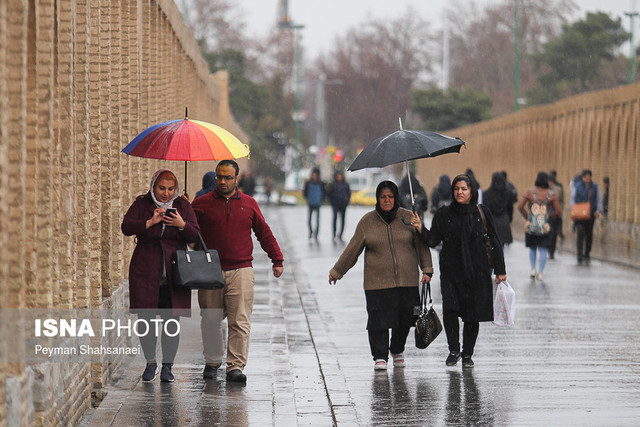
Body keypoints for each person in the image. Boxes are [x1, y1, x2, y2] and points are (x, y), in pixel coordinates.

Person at [192, 160, 284, 383]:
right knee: (210, 319)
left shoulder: (249, 204)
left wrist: (277, 259)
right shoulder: (201, 204)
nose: (222, 181)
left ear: (237, 179)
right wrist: (186, 212)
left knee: (239, 321)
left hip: (241, 270)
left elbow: (264, 233)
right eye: (219, 177)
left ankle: (235, 366)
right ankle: (212, 362)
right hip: (210, 271)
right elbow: (189, 233)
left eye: (227, 177)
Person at [328, 181, 433, 371]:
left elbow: (422, 246)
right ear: (378, 199)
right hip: (377, 283)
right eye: (383, 197)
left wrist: (427, 269)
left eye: (390, 196)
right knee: (378, 320)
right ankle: (380, 355)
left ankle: (397, 349)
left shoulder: (409, 218)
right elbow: (352, 250)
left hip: (406, 281)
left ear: (396, 198)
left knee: (406, 318)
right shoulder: (367, 222)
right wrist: (337, 271)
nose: (387, 200)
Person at [412, 174, 506, 369]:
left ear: (471, 191)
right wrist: (421, 228)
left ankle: (467, 354)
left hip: (477, 272)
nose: (459, 192)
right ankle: (454, 350)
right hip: (451, 272)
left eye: (464, 188)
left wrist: (500, 270)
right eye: (456, 188)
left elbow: (495, 240)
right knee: (451, 310)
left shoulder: (481, 213)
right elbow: (433, 240)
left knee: (472, 315)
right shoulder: (444, 214)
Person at [121, 169, 200, 382]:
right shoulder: (142, 204)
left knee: (170, 320)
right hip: (146, 269)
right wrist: (149, 223)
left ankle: (167, 367)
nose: (165, 193)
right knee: (146, 318)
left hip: (174, 272)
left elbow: (195, 234)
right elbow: (126, 227)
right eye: (161, 188)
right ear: (153, 186)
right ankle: (150, 363)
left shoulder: (183, 205)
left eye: (170, 189)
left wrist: (181, 225)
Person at [517, 172, 561, 281]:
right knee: (543, 248)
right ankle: (540, 272)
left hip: (531, 225)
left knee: (532, 247)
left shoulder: (530, 192)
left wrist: (527, 217)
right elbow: (558, 211)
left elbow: (520, 206)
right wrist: (549, 218)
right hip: (544, 226)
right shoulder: (551, 194)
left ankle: (532, 269)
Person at [570, 169, 603, 265]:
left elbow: (598, 199)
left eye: (589, 178)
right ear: (583, 177)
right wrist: (573, 210)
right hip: (580, 214)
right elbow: (572, 198)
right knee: (580, 233)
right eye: (586, 178)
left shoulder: (595, 187)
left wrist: (598, 210)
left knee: (589, 234)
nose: (587, 180)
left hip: (591, 214)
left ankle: (587, 253)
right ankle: (579, 255)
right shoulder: (577, 186)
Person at [483, 172, 514, 247]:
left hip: (492, 222)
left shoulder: (487, 194)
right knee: (501, 245)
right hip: (504, 221)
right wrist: (509, 218)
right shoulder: (508, 194)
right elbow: (510, 208)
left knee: (492, 245)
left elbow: (485, 209)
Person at [327, 170, 352, 243]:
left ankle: (340, 235)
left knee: (342, 220)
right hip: (335, 204)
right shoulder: (333, 184)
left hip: (343, 204)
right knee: (335, 219)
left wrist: (346, 201)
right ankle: (334, 234)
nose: (339, 177)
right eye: (338, 176)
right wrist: (332, 201)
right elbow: (329, 193)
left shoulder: (345, 184)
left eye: (340, 176)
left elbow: (348, 193)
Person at [303, 168, 325, 243]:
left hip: (317, 204)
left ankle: (316, 234)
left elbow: (323, 193)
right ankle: (311, 232)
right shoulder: (308, 183)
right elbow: (305, 192)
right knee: (309, 220)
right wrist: (308, 199)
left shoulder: (321, 183)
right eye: (313, 175)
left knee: (317, 220)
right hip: (310, 203)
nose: (314, 176)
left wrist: (320, 200)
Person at [547, 171, 564, 259]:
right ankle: (549, 248)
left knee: (553, 234)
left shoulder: (558, 189)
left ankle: (551, 250)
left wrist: (558, 212)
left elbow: (561, 201)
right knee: (549, 233)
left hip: (554, 215)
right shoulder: (544, 189)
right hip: (547, 215)